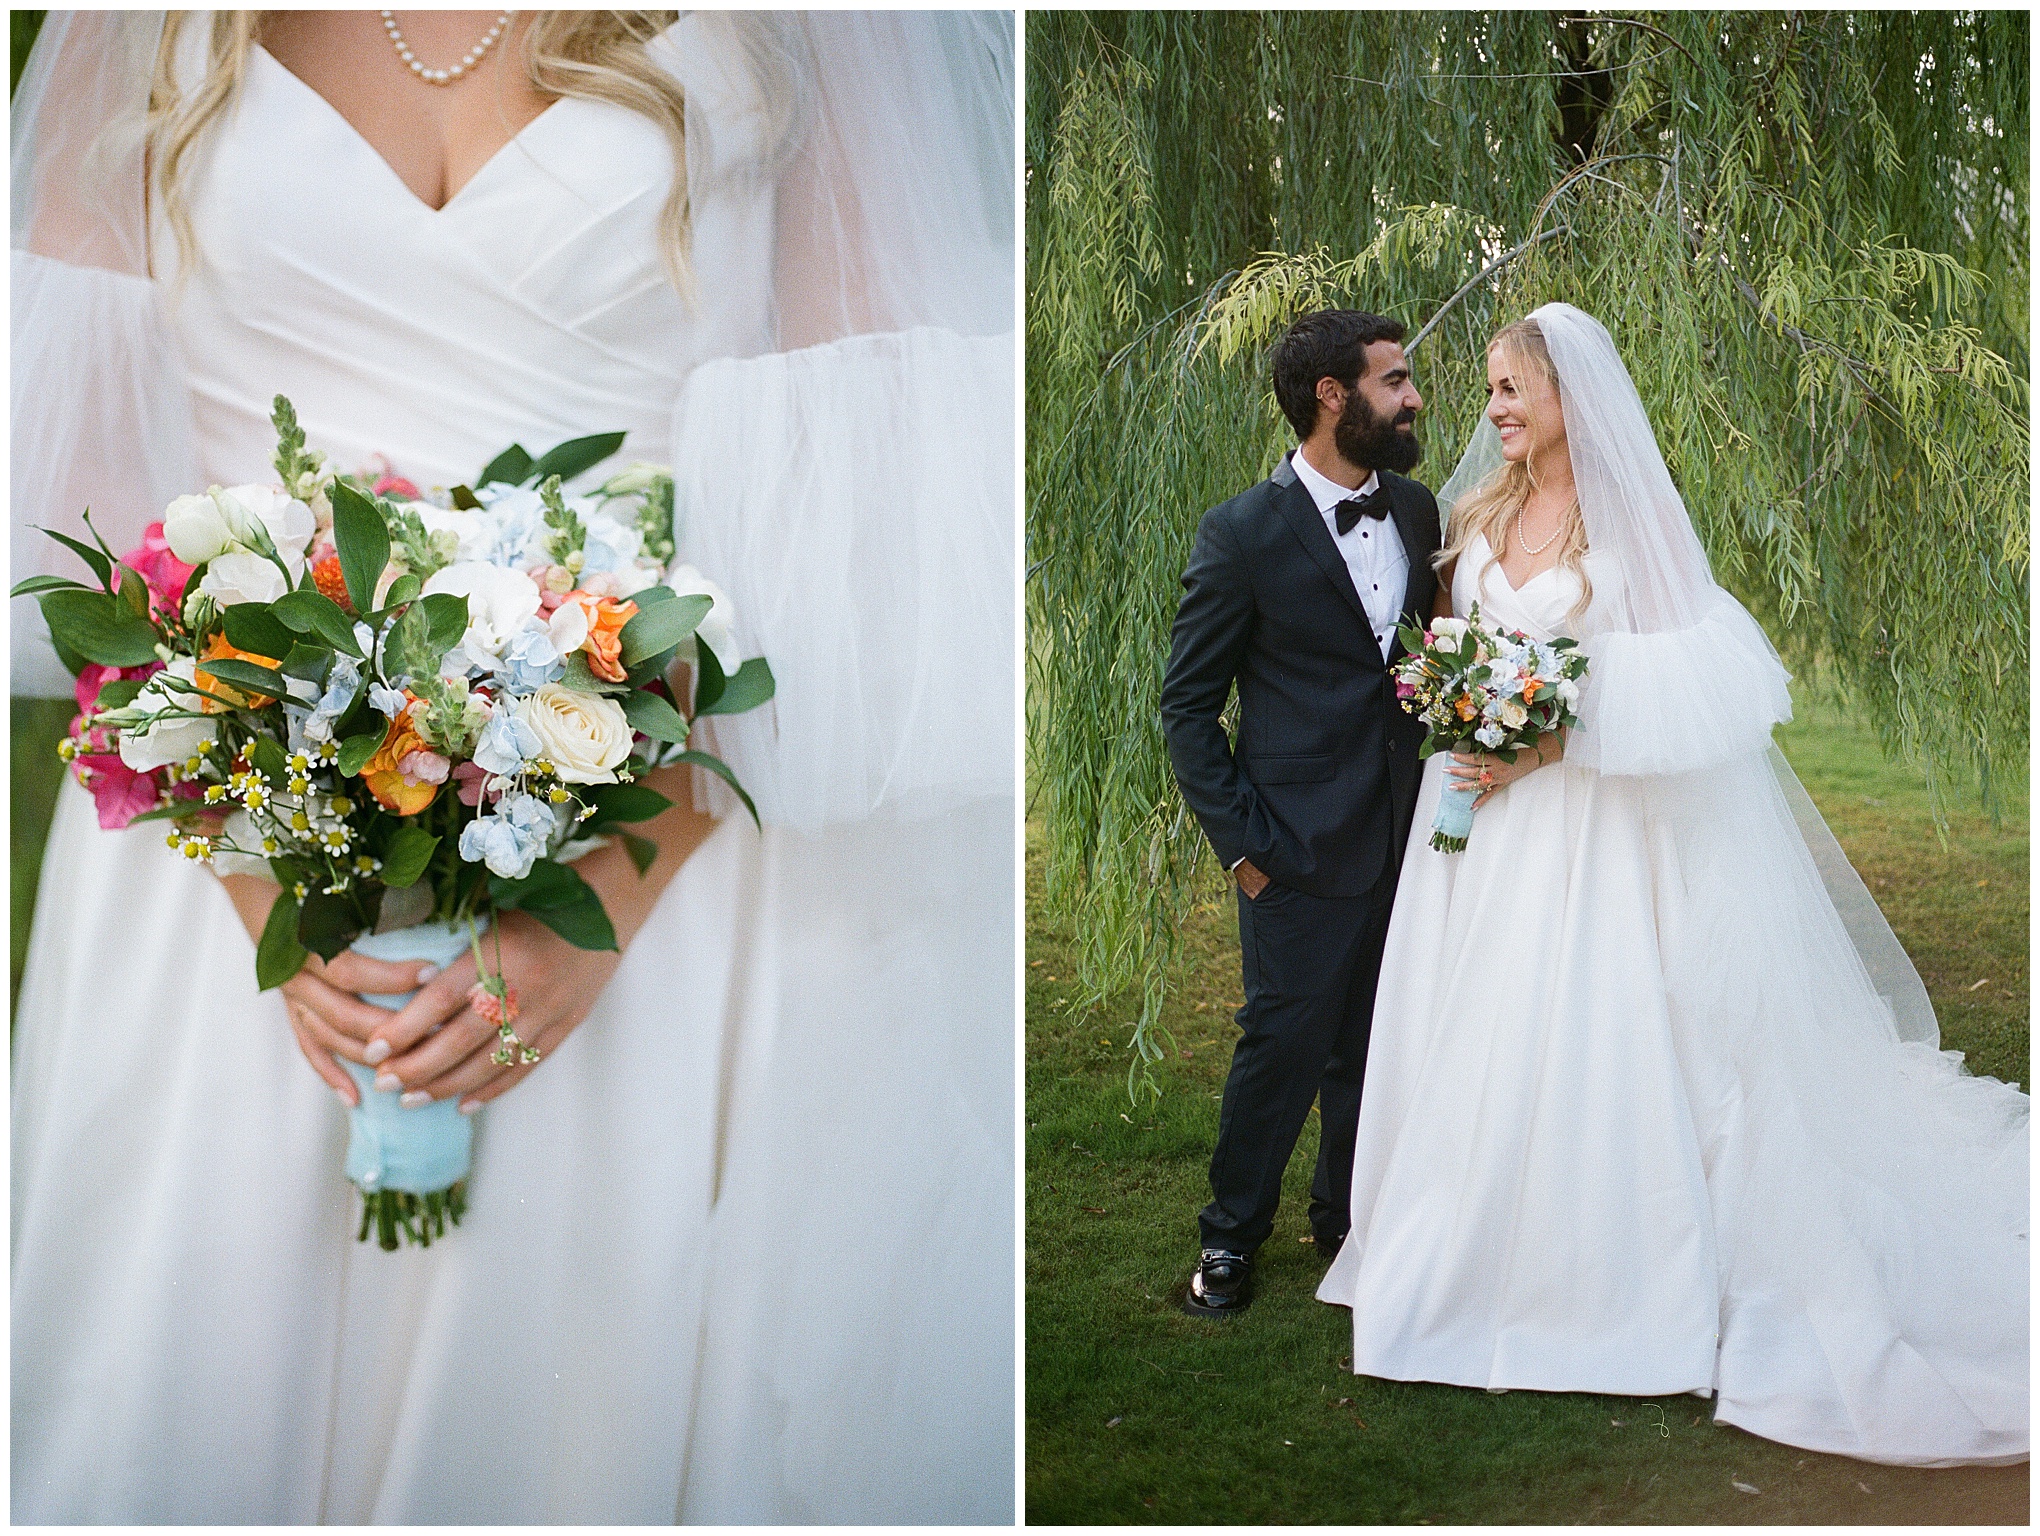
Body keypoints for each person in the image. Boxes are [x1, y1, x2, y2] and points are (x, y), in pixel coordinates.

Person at [11, 10, 1015, 1521]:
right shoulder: (156, 22)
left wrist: (600, 892)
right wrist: (249, 864)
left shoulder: (799, 31)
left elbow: (856, 493)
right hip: (219, 861)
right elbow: (64, 470)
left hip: (651, 835)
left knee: (570, 1398)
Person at [1317, 303, 2027, 1468]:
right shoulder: (1479, 516)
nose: (1490, 409)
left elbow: (1693, 688)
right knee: (1477, 1028)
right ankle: (1464, 1244)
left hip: (1587, 831)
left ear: (1567, 399)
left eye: (1509, 388)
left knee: (1597, 1032)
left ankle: (1606, 1278)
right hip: (1484, 838)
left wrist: (1536, 746)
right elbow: (1455, 649)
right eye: (1489, 387)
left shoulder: (1633, 530)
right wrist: (1463, 719)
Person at [1159, 309, 1438, 1315]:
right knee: (1280, 1044)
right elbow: (1187, 708)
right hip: (1291, 846)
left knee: (1372, 1040)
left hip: (1406, 835)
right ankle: (1231, 1236)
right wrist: (1245, 849)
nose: (1413, 399)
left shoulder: (1416, 512)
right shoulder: (1240, 534)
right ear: (1333, 396)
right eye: (1395, 381)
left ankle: (1345, 1216)